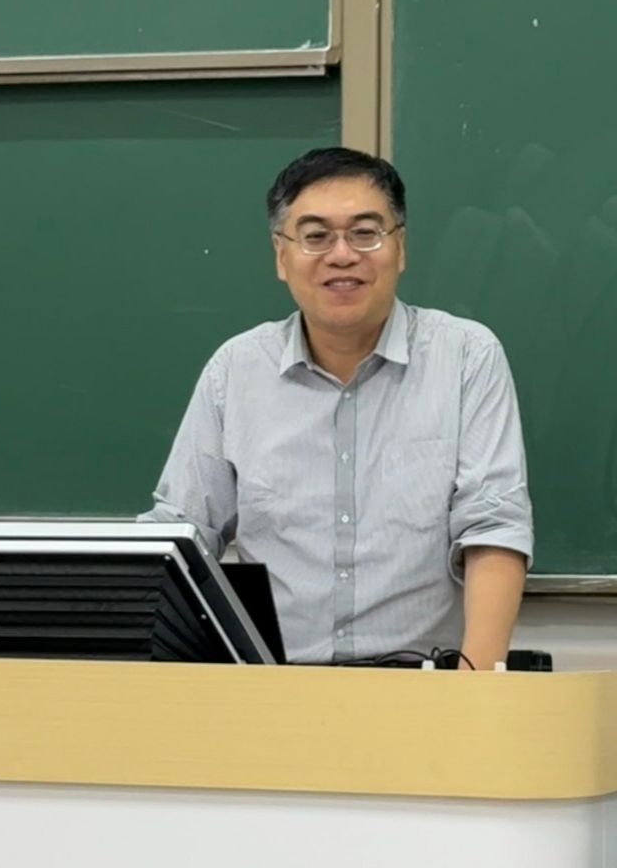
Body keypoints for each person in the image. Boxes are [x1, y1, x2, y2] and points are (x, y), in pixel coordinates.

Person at [141, 147, 532, 668]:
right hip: (272, 686)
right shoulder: (236, 370)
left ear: (400, 248)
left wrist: (475, 685)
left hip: (422, 683)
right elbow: (180, 534)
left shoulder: (466, 356)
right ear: (281, 256)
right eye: (316, 236)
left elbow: (493, 525)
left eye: (365, 233)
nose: (342, 255)